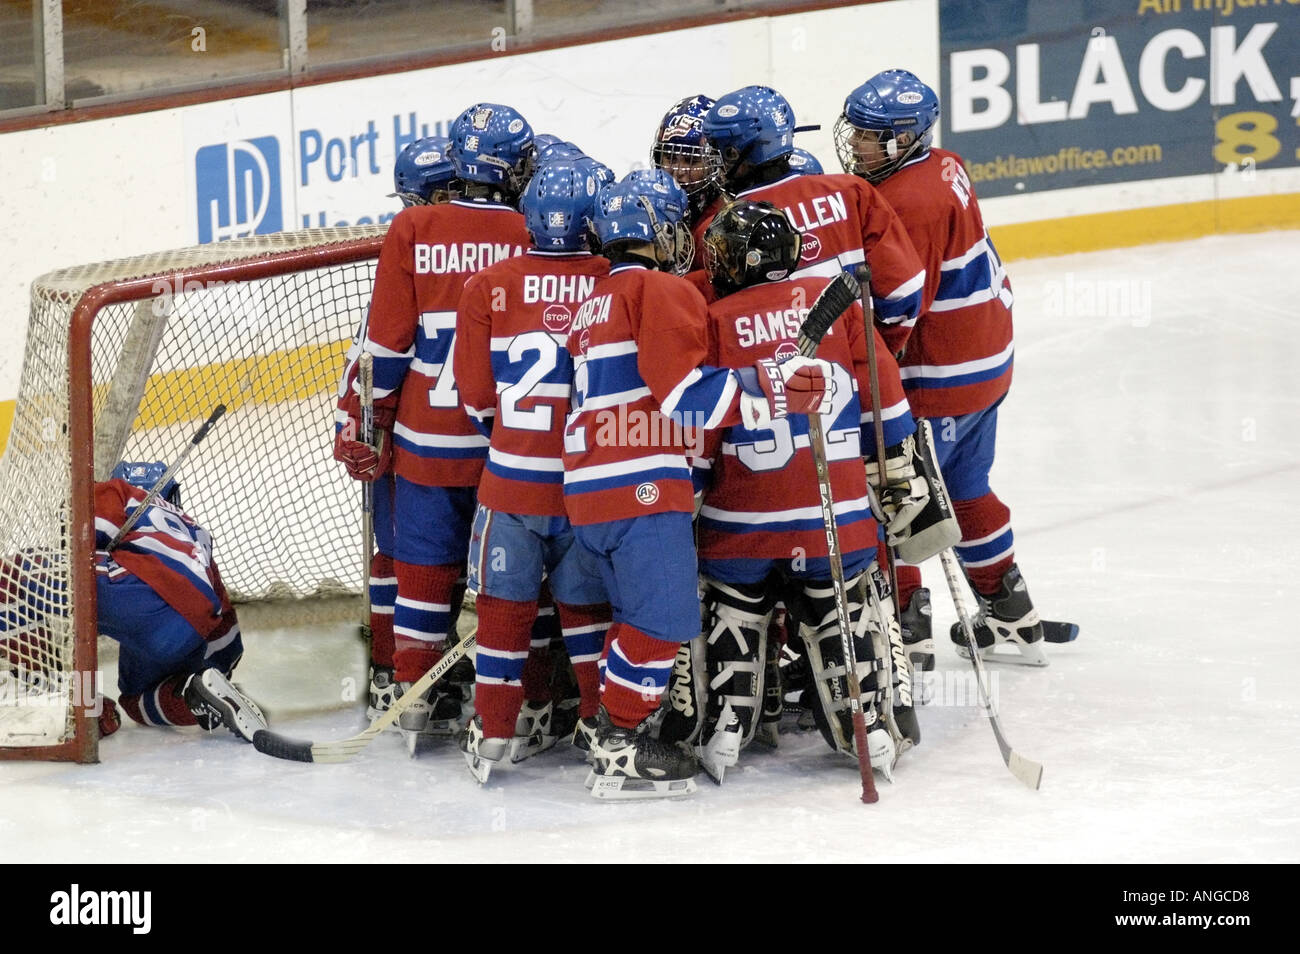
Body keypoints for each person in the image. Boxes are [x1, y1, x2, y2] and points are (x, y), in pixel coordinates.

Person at [562, 170, 834, 799]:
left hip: (589, 491)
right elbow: (685, 397)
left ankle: (610, 724)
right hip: (642, 488)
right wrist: (772, 387)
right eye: (675, 226)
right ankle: (619, 742)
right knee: (661, 622)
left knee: (630, 616)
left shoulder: (591, 301)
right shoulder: (659, 290)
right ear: (656, 230)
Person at [833, 69, 1078, 667]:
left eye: (871, 137)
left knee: (889, 497)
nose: (856, 145)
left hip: (941, 376)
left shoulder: (906, 202)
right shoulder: (945, 161)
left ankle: (905, 633)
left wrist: (867, 369)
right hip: (984, 364)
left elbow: (900, 304)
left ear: (905, 139)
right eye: (856, 132)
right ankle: (1010, 615)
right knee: (965, 488)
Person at [683, 199, 923, 781]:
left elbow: (697, 438)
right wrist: (895, 480)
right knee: (844, 606)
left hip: (740, 524)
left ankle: (729, 723)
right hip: (834, 520)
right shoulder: (836, 308)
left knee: (733, 607)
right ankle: (866, 717)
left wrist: (684, 496)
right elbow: (888, 412)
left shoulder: (711, 321)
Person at [333, 103, 533, 752]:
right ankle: (517, 701)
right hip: (511, 442)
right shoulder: (533, 230)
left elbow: (385, 348)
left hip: (426, 440)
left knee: (422, 568)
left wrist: (364, 422)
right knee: (513, 574)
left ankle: (414, 698)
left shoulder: (414, 228)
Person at [452, 159, 613, 783]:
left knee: (502, 613)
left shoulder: (486, 285)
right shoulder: (612, 279)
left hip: (510, 483)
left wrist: (517, 441)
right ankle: (603, 731)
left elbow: (474, 398)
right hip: (587, 485)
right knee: (588, 615)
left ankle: (494, 732)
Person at [1, 463, 268, 741]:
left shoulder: (118, 493)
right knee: (137, 701)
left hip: (138, 592)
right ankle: (194, 694)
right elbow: (223, 623)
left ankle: (51, 695)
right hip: (190, 627)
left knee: (8, 575)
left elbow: (77, 545)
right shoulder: (195, 535)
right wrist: (216, 671)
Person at [335, 134, 459, 724]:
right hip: (488, 439)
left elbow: (376, 352)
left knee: (402, 559)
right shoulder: (500, 242)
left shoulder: (411, 247)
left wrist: (356, 426)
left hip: (411, 436)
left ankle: (394, 675)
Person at [699, 84, 927, 348]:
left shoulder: (723, 227)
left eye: (718, 150)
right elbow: (904, 291)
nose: (713, 163)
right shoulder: (852, 193)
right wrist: (874, 351)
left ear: (736, 153)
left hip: (774, 379)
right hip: (853, 370)